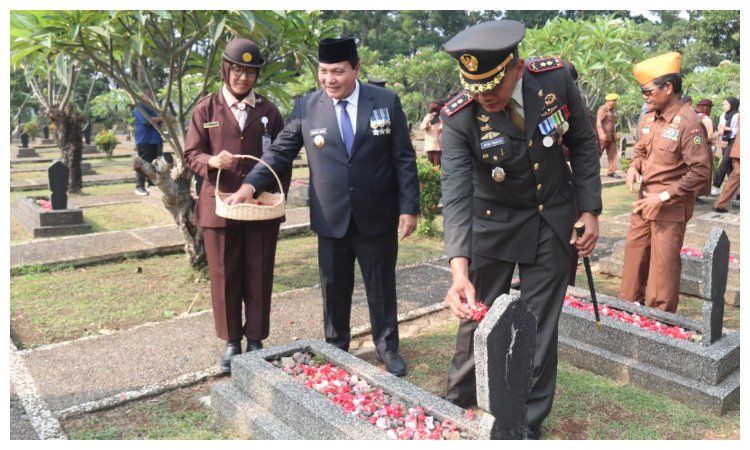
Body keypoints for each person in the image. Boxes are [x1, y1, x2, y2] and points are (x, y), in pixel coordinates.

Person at [438, 20, 602, 439]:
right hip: (492, 220)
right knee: (479, 312)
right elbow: (456, 194)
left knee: (537, 322)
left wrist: (591, 211)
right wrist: (459, 271)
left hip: (551, 215)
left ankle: (527, 419)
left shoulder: (554, 79)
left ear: (518, 68)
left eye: (493, 85)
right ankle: (460, 398)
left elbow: (583, 141)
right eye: (476, 88)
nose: (485, 96)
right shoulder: (459, 116)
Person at [227, 37, 421, 377]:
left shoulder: (385, 102)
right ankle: (336, 346)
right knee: (334, 288)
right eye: (323, 71)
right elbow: (279, 152)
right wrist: (249, 185)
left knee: (381, 285)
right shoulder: (308, 106)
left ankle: (388, 347)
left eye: (338, 72)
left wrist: (409, 208)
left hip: (376, 214)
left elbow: (403, 158)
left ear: (356, 70)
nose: (329, 79)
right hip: (331, 217)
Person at [184, 38, 289, 373]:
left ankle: (256, 340)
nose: (244, 78)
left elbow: (282, 158)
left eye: (251, 72)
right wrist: (212, 160)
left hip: (259, 208)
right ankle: (232, 342)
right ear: (226, 70)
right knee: (225, 276)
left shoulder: (269, 112)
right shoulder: (206, 109)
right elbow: (190, 154)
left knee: (259, 273)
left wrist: (272, 194)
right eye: (238, 70)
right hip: (219, 207)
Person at [619, 52, 711, 314]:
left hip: (669, 207)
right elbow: (641, 151)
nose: (645, 97)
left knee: (662, 271)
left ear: (668, 88)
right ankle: (626, 314)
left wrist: (663, 197)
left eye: (648, 91)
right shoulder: (650, 117)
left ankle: (659, 325)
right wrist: (634, 166)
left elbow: (701, 171)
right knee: (633, 261)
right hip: (643, 201)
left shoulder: (688, 123)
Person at [133, 94, 164, 196]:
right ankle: (140, 186)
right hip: (145, 139)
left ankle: (152, 184)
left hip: (156, 139)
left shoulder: (154, 108)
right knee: (143, 163)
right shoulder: (139, 107)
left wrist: (160, 118)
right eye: (148, 94)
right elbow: (147, 121)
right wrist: (161, 118)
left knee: (155, 164)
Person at [711, 97, 740, 195]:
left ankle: (716, 186)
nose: (724, 106)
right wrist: (717, 133)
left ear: (732, 105)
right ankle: (736, 190)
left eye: (726, 104)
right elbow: (721, 127)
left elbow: (739, 130)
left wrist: (729, 129)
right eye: (723, 104)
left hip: (734, 141)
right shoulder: (723, 115)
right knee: (729, 166)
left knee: (724, 163)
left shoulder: (737, 116)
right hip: (725, 141)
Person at [713, 115, 740, 213]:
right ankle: (719, 205)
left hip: (738, 151)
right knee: (734, 179)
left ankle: (719, 204)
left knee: (734, 180)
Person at [695, 98, 716, 202]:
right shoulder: (707, 119)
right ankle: (698, 195)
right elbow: (710, 136)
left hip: (694, 146)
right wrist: (719, 132)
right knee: (704, 170)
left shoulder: (693, 116)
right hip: (704, 147)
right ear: (707, 108)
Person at [597, 93, 620, 177]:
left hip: (611, 136)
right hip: (603, 136)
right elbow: (598, 122)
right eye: (613, 101)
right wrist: (601, 134)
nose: (615, 102)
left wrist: (616, 134)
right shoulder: (603, 109)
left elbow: (613, 123)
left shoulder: (613, 111)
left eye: (615, 101)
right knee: (597, 153)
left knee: (613, 153)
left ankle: (611, 172)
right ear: (608, 101)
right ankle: (593, 170)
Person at [419, 99, 445, 167]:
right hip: (430, 146)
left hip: (439, 146)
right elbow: (422, 127)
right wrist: (429, 121)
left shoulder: (442, 116)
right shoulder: (429, 116)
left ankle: (436, 176)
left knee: (437, 166)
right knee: (431, 166)